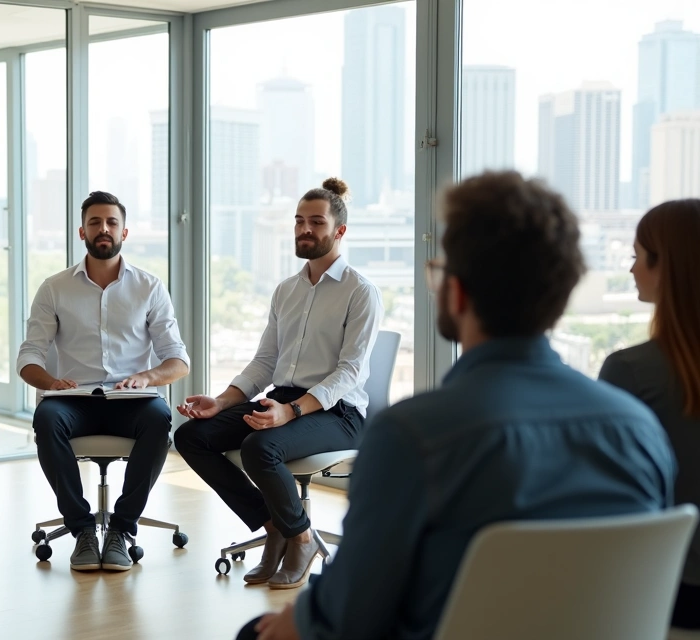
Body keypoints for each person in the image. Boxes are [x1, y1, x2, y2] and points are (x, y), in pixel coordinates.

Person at [240, 171, 675, 640]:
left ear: (458, 291)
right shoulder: (639, 429)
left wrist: (292, 621)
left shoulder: (413, 437)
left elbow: (348, 613)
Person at [175, 178, 383, 590]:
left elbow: (350, 371)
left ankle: (301, 539)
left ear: (339, 231)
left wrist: (291, 411)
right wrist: (222, 401)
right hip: (283, 401)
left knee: (260, 447)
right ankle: (273, 525)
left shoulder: (360, 292)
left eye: (316, 222)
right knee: (192, 436)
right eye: (299, 221)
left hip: (337, 413)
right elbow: (266, 362)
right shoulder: (286, 291)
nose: (305, 229)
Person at [18, 190, 189, 572]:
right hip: (73, 398)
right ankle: (81, 529)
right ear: (82, 232)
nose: (104, 229)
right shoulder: (55, 287)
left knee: (159, 418)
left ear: (124, 233)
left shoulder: (149, 287)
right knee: (46, 419)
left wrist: (147, 375)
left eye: (112, 222)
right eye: (95, 222)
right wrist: (49, 380)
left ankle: (122, 530)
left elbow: (178, 360)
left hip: (131, 399)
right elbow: (28, 356)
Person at [599, 198, 700, 631]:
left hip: (667, 595)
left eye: (638, 256)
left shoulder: (631, 371)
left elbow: (602, 501)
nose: (631, 269)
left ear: (668, 268)